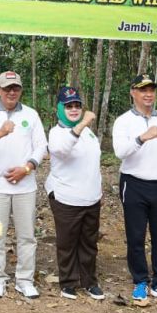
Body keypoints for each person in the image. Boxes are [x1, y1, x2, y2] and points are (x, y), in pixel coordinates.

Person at [0, 71, 47, 299]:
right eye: (6, 88)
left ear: (20, 90)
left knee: (27, 236)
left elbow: (41, 145)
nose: (11, 92)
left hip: (25, 186)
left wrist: (27, 168)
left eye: (15, 88)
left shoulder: (31, 115)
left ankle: (24, 279)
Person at [112, 74, 157, 307]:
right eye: (143, 90)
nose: (148, 94)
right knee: (136, 236)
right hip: (133, 184)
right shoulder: (123, 121)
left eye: (151, 89)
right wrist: (142, 137)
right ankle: (140, 280)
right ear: (133, 92)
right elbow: (120, 152)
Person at [45, 86, 104, 301]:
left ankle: (89, 282)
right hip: (66, 198)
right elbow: (61, 150)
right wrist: (81, 124)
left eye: (77, 105)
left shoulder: (88, 134)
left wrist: (98, 189)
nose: (73, 109)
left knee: (89, 243)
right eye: (68, 106)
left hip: (91, 198)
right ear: (60, 108)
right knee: (67, 243)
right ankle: (68, 283)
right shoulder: (56, 132)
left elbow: (92, 163)